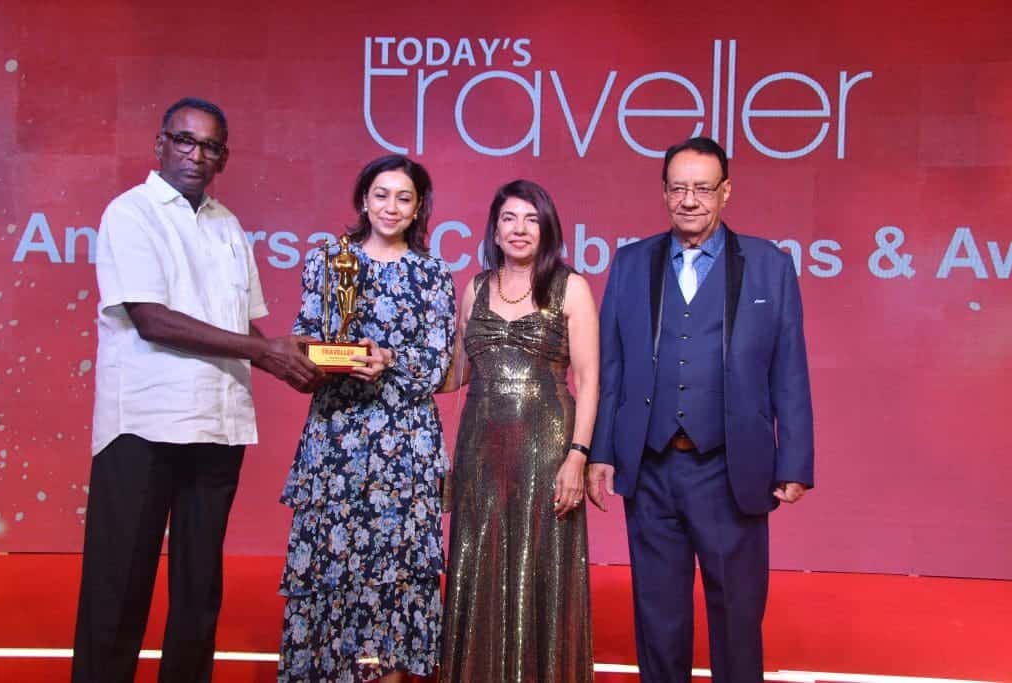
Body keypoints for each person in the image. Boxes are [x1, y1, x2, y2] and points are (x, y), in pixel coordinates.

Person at [72, 97, 319, 683]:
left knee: (198, 592)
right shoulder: (130, 214)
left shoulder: (227, 225)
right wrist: (265, 351)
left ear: (223, 158)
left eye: (210, 147)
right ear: (160, 143)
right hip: (143, 425)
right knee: (119, 586)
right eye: (184, 141)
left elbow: (243, 325)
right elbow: (152, 319)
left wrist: (287, 362)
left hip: (217, 424)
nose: (196, 155)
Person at [587, 137, 814, 683]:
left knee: (737, 620)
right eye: (679, 188)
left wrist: (795, 462)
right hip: (651, 465)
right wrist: (600, 452)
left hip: (731, 468)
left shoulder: (768, 265)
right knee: (659, 619)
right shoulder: (631, 262)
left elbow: (789, 368)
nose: (690, 200)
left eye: (703, 188)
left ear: (726, 192)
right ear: (664, 192)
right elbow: (612, 365)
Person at [277, 155, 457, 683]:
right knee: (330, 569)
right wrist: (334, 358)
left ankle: (390, 673)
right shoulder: (327, 261)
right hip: (336, 437)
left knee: (398, 574)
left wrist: (389, 361)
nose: (391, 207)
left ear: (419, 207)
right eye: (381, 195)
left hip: (405, 443)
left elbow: (436, 363)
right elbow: (305, 340)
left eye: (404, 197)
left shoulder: (434, 275)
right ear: (363, 199)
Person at [440, 180, 600, 683]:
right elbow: (458, 372)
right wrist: (390, 368)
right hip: (480, 450)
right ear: (494, 227)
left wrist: (578, 455)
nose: (520, 229)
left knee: (543, 569)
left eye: (531, 219)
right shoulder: (474, 287)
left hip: (547, 448)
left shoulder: (571, 287)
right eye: (509, 218)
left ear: (548, 227)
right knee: (477, 563)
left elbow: (591, 380)